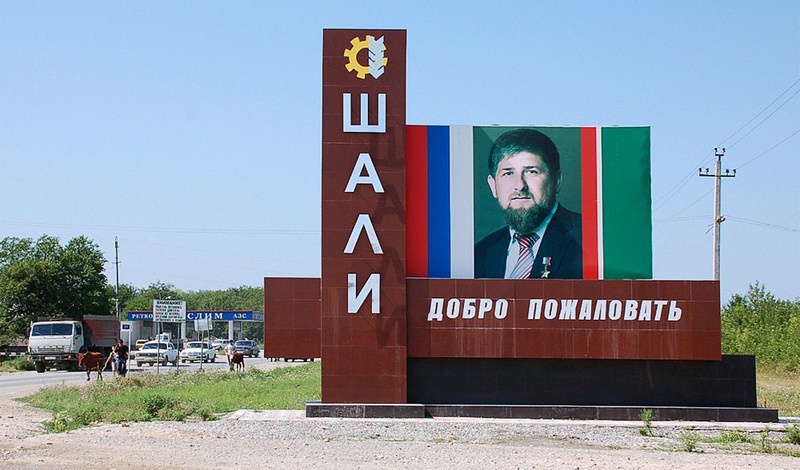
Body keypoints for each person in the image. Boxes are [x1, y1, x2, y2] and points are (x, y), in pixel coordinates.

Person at [474, 128, 582, 279]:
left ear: (556, 181)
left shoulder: (591, 240)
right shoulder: (479, 254)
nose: (520, 186)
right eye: (508, 173)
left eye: (531, 171)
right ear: (493, 186)